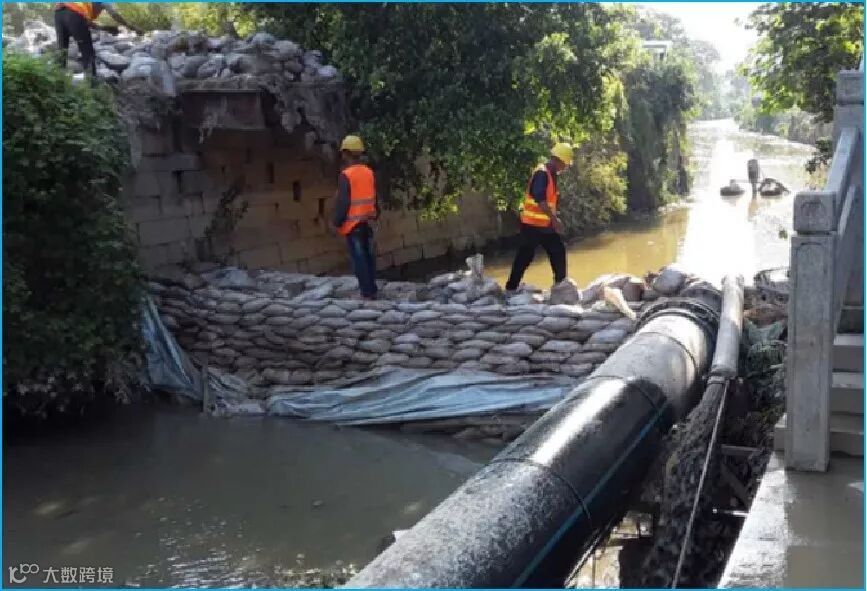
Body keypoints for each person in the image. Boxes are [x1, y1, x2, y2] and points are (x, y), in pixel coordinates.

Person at [505, 142, 574, 293]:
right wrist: (554, 220)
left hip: (544, 225)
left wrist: (552, 220)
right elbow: (540, 200)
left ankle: (561, 286)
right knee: (525, 256)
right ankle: (511, 288)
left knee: (558, 251)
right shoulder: (542, 173)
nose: (565, 168)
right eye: (565, 164)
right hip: (531, 226)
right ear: (559, 160)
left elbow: (548, 201)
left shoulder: (551, 174)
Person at [332, 135, 380, 300]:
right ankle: (372, 289)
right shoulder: (368, 172)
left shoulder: (346, 175)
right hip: (368, 221)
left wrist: (336, 222)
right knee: (368, 257)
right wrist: (376, 214)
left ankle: (367, 292)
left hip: (353, 225)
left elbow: (344, 202)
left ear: (346, 153)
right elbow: (374, 196)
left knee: (359, 259)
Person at [54, 3, 142, 78]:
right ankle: (92, 85)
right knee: (88, 54)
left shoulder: (83, 5)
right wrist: (131, 26)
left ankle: (57, 84)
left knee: (62, 51)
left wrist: (104, 28)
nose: (100, 11)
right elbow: (114, 14)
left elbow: (85, 22)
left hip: (59, 14)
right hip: (74, 14)